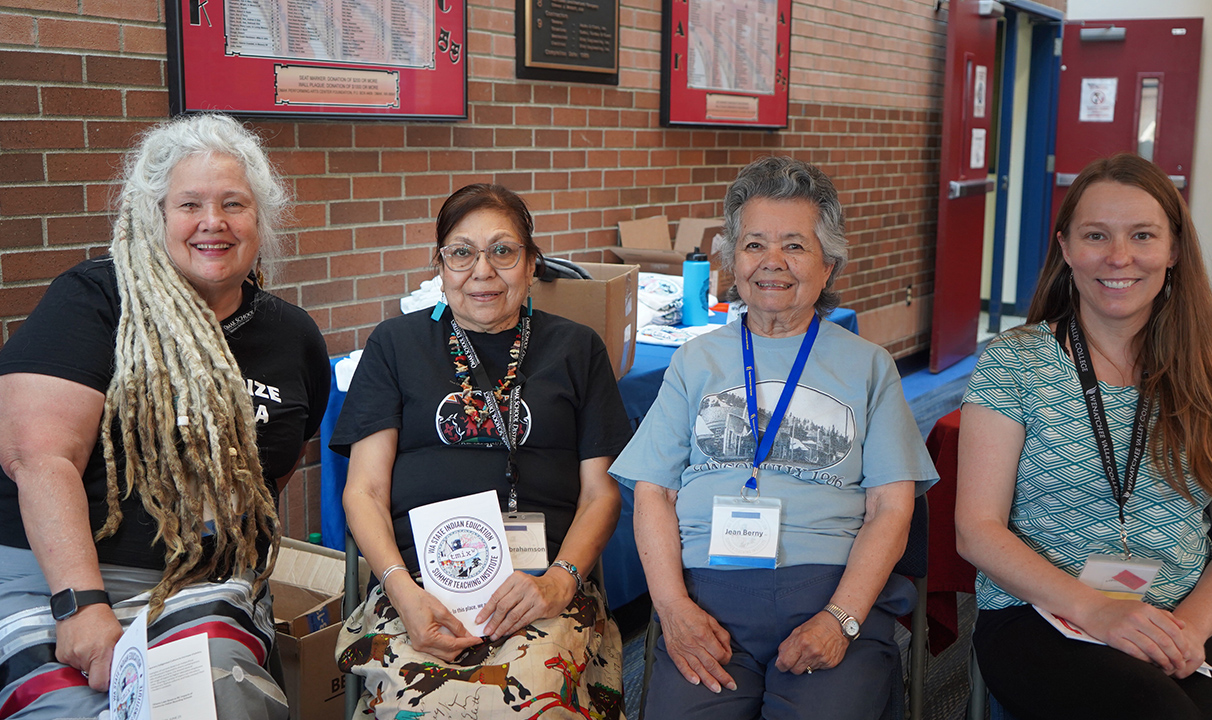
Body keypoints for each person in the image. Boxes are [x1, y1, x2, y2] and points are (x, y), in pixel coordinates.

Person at [0, 113, 331, 719]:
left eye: (235, 203)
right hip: (60, 577)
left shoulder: (292, 334)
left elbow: (276, 470)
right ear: (153, 215)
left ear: (260, 220)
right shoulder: (92, 302)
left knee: (212, 701)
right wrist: (80, 604)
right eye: (190, 204)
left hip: (205, 586)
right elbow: (37, 457)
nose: (214, 222)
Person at [610, 156, 938, 720]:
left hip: (829, 591)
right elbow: (653, 493)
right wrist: (673, 609)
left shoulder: (869, 367)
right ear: (731, 260)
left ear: (828, 264)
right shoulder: (695, 362)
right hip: (708, 601)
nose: (772, 263)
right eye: (755, 244)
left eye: (794, 245)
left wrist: (842, 618)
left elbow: (891, 507)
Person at [956, 153, 1212, 720]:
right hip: (1044, 613)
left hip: (1186, 613)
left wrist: (1184, 630)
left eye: (1143, 236)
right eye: (1096, 235)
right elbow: (977, 530)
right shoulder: (1014, 363)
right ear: (1065, 247)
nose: (1119, 257)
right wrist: (1098, 611)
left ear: (1173, 250)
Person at [330, 183, 631, 719]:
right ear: (440, 266)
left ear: (532, 263)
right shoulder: (394, 346)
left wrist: (560, 583)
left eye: (503, 250)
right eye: (462, 253)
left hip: (542, 581)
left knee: (525, 697)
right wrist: (402, 592)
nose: (482, 270)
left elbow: (601, 493)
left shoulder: (576, 348)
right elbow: (365, 492)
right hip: (419, 583)